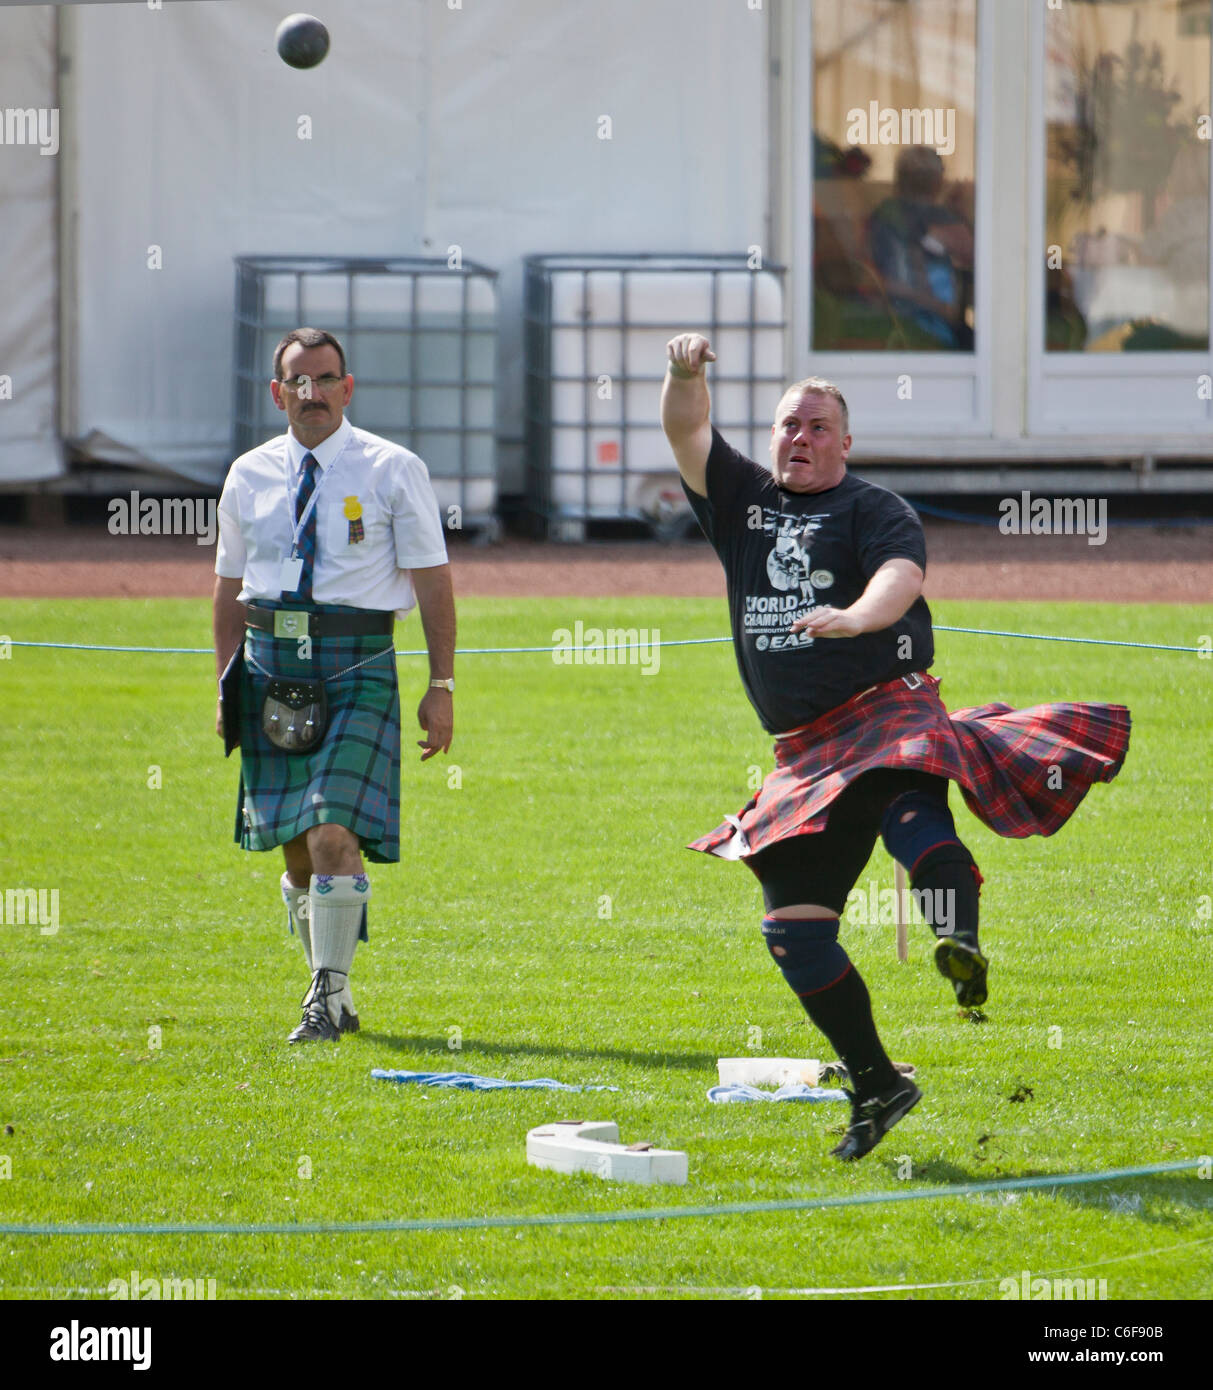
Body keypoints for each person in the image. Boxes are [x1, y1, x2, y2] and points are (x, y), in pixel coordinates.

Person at [661, 332, 1130, 1161]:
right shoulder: (741, 500)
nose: (797, 438)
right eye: (785, 426)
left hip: (885, 707)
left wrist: (854, 618)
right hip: (803, 751)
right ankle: (878, 1082)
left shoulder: (874, 508)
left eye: (815, 427)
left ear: (845, 442)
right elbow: (687, 435)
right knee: (793, 932)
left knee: (907, 804)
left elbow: (898, 580)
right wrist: (681, 374)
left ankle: (960, 938)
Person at [213, 327, 456, 1043]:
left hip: (356, 667)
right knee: (295, 849)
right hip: (267, 669)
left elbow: (434, 580)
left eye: (324, 379)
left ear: (347, 388)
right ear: (277, 391)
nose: (311, 393)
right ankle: (335, 990)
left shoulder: (392, 468)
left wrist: (441, 682)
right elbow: (228, 588)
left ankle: (326, 995)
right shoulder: (247, 474)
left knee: (328, 835)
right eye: (297, 381)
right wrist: (224, 687)